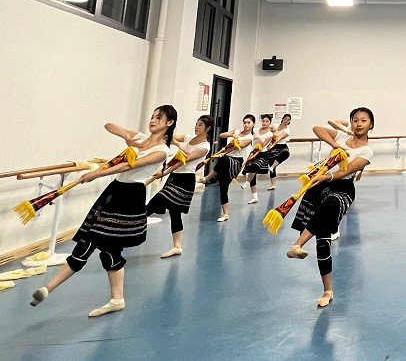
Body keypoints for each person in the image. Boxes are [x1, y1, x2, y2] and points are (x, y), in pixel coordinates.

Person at [30, 106, 176, 317]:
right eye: (152, 116)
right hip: (114, 192)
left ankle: (48, 288)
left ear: (169, 123)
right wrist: (128, 138)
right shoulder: (141, 138)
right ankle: (117, 299)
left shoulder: (163, 151)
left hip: (129, 198)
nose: (153, 120)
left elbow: (128, 166)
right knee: (108, 249)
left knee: (94, 242)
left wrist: (97, 174)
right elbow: (109, 125)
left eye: (159, 118)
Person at [286, 107, 375, 308]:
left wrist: (327, 176)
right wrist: (336, 145)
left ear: (371, 125)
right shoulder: (342, 137)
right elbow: (317, 128)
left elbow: (346, 171)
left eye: (364, 120)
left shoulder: (367, 151)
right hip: (320, 186)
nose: (359, 124)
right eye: (355, 120)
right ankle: (327, 291)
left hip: (341, 189)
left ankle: (297, 244)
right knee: (322, 240)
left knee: (331, 203)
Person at [146, 114, 212, 257]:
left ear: (208, 128)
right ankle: (177, 246)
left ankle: (132, 224)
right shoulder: (188, 137)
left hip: (185, 180)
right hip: (174, 176)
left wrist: (164, 171)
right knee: (174, 212)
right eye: (196, 124)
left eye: (200, 125)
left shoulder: (205, 146)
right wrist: (171, 137)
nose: (196, 127)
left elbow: (184, 159)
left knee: (158, 200)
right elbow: (169, 137)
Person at [200, 114, 255, 222]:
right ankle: (226, 214)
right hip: (226, 161)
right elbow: (221, 135)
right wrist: (232, 134)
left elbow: (237, 146)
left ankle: (208, 178)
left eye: (249, 123)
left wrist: (222, 153)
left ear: (253, 124)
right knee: (223, 187)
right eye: (244, 122)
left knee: (224, 159)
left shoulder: (249, 138)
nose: (246, 125)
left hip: (236, 162)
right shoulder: (237, 131)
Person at [243, 114, 276, 204]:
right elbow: (250, 138)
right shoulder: (256, 130)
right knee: (252, 175)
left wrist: (258, 139)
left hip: (262, 154)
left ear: (270, 123)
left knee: (254, 167)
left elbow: (263, 145)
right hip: (253, 152)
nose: (264, 123)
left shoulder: (270, 134)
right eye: (263, 121)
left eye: (267, 121)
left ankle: (247, 181)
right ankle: (255, 197)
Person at [266, 114, 293, 190]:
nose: (286, 121)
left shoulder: (287, 130)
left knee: (286, 154)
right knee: (271, 162)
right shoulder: (275, 125)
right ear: (282, 119)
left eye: (288, 120)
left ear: (289, 121)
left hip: (281, 146)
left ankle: (272, 167)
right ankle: (273, 185)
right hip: (272, 146)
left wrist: (272, 144)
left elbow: (278, 138)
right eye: (285, 119)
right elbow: (268, 128)